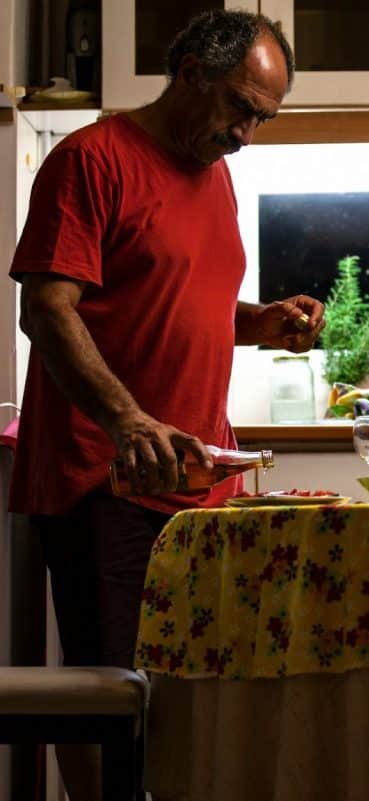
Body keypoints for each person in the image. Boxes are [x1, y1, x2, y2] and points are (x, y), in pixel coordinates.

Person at [9, 10, 324, 800]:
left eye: (262, 118)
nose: (247, 133)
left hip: (197, 483)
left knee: (188, 694)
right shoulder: (92, 158)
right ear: (190, 73)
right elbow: (47, 309)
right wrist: (127, 420)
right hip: (106, 475)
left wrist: (263, 322)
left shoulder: (214, 173)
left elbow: (183, 301)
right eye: (240, 108)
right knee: (111, 695)